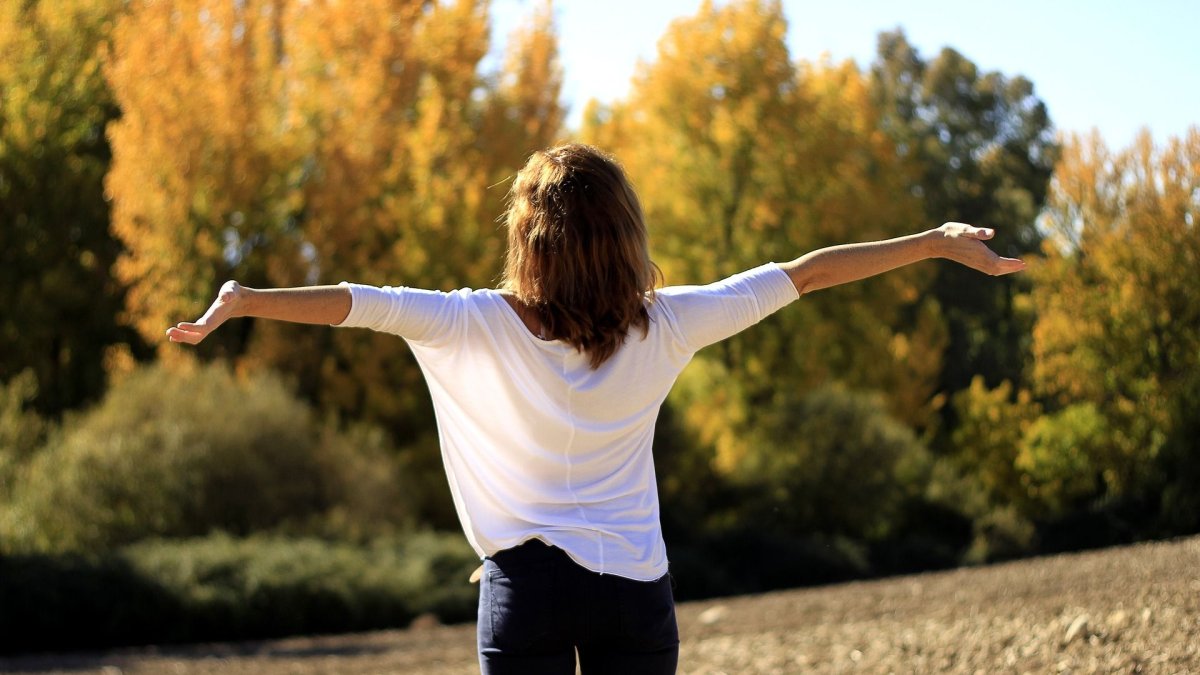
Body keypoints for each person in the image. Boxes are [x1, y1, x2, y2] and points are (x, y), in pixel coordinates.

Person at [166, 143, 1024, 674]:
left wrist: (243, 299)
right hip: (634, 591)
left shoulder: (469, 322)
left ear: (526, 243)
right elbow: (807, 272)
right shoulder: (671, 323)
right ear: (627, 236)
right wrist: (934, 244)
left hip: (524, 592)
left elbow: (356, 302)